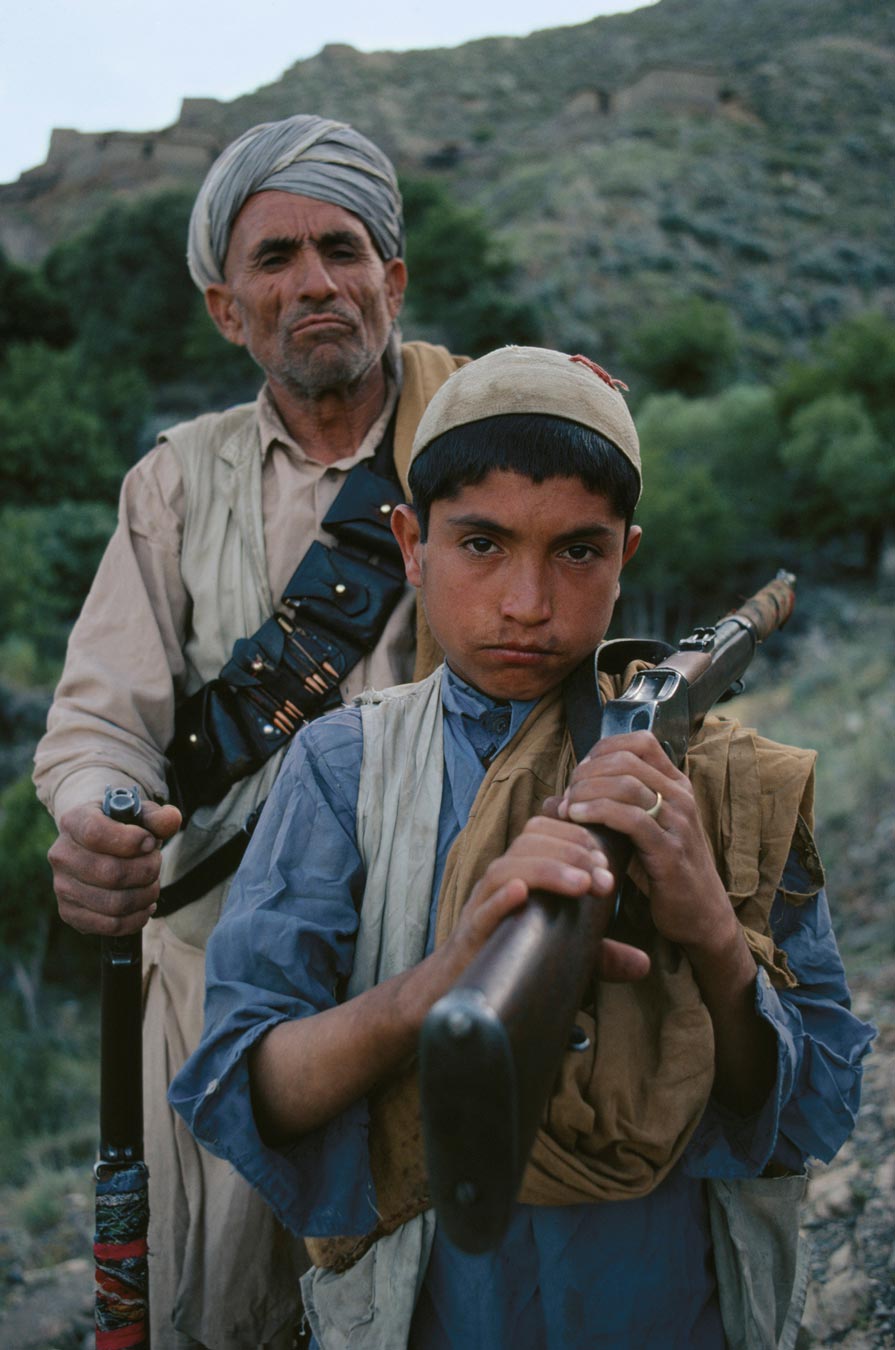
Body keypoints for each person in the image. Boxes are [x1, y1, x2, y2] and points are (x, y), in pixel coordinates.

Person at [171, 345, 874, 1348]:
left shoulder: (726, 778)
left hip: (675, 1311)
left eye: (577, 552)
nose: (526, 603)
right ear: (411, 544)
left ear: (625, 556)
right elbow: (249, 1087)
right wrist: (444, 978)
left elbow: (813, 1112)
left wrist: (714, 934)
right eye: (483, 545)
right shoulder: (341, 769)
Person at [33, 114, 466, 1348]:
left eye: (342, 247)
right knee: (230, 1311)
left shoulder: (480, 434)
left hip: (444, 965)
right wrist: (97, 823)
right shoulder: (170, 482)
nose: (314, 282)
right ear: (229, 309)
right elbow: (97, 727)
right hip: (229, 984)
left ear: (393, 279)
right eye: (274, 258)